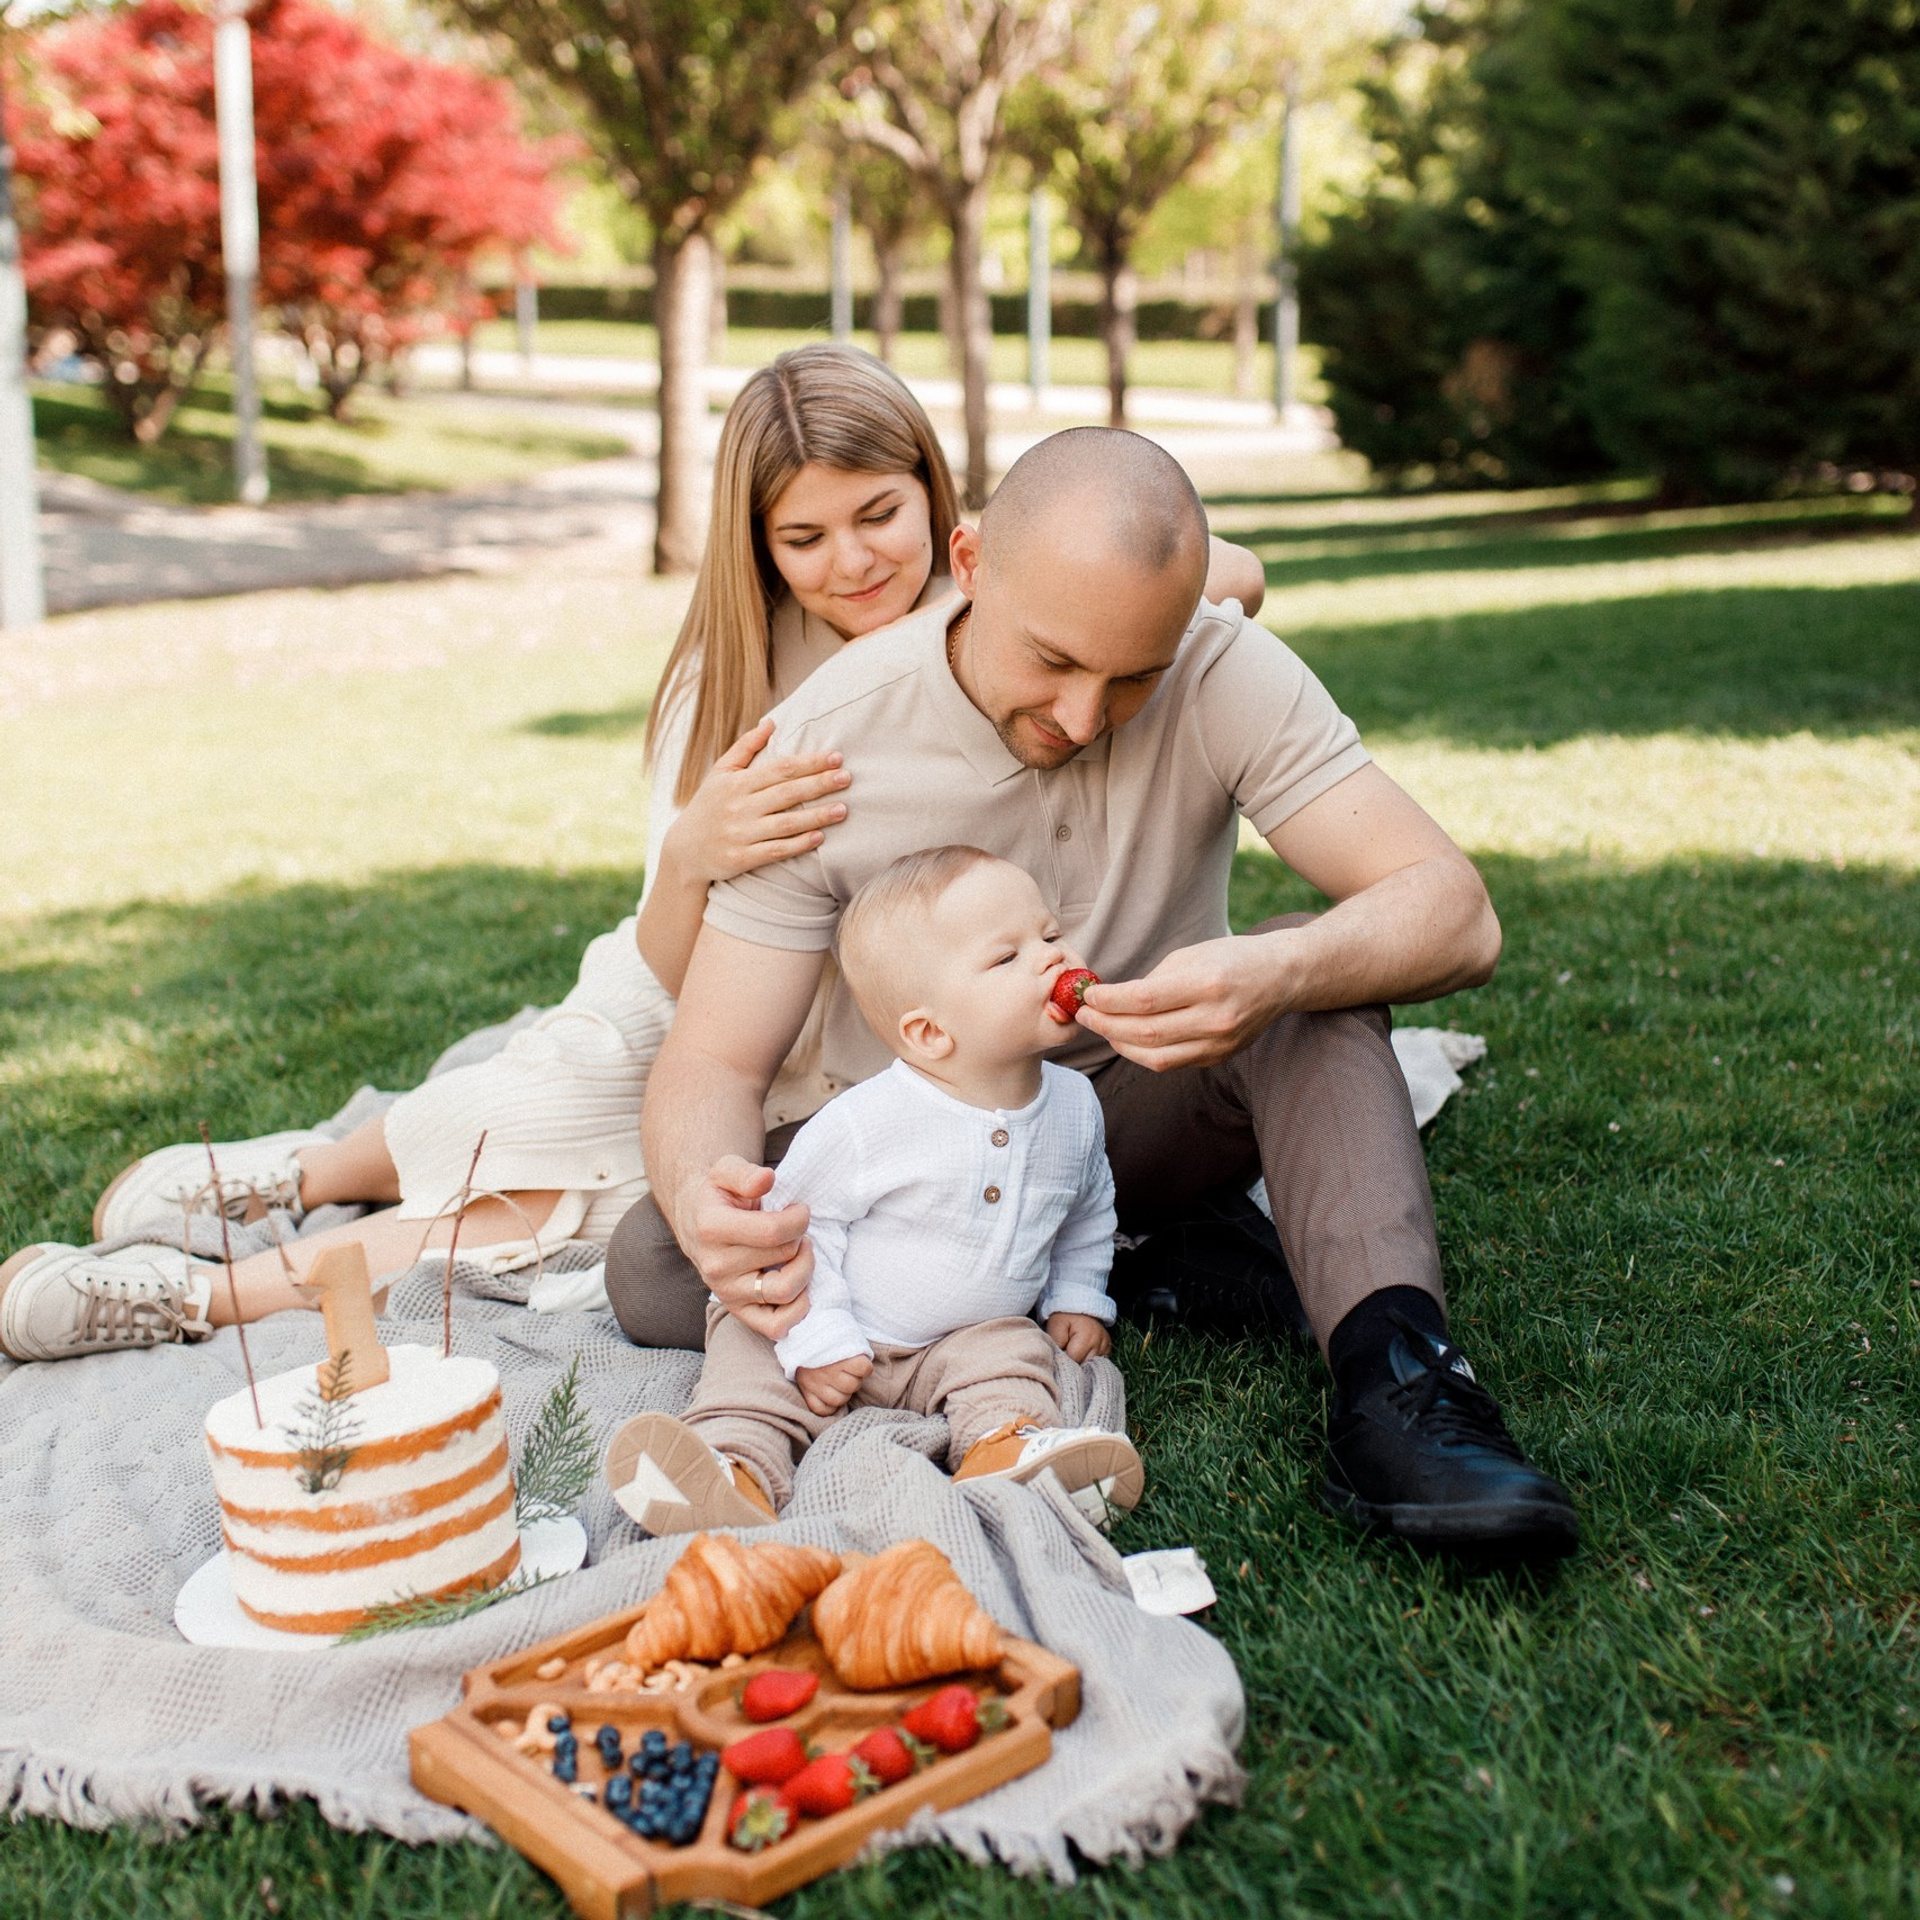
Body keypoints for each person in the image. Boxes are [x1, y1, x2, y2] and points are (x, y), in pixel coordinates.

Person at [0, 349, 1267, 1364]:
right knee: (551, 1098)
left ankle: (207, 1297)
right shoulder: (743, 690)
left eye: (880, 514)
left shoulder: (1013, 626)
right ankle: (295, 1176)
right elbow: (675, 971)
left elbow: (1199, 573)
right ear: (758, 547)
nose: (856, 560)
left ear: (945, 504)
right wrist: (695, 855)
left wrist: (1193, 586)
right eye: (804, 538)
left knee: (553, 1220)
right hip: (689, 985)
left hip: (856, 1034)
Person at [607, 426, 1581, 1562]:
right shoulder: (825, 743)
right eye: (1052, 661)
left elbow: (1457, 911)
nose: (1080, 717)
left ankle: (1405, 1393)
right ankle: (1129, 1260)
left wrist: (1279, 971)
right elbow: (715, 1060)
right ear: (967, 565)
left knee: (1319, 978)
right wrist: (711, 1202)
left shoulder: (1224, 669)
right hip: (917, 1148)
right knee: (655, 1257)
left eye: (1133, 679)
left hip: (1140, 1096)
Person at [603, 846, 1144, 1538]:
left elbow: (1088, 1205)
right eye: (1007, 958)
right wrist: (819, 1339)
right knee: (748, 1351)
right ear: (928, 1032)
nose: (1052, 959)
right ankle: (731, 1469)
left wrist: (1077, 1296)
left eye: (1049, 935)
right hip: (827, 1327)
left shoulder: (1073, 1105)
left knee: (1014, 1354)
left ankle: (1005, 1447)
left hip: (957, 1341)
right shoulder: (868, 1124)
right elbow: (797, 1231)